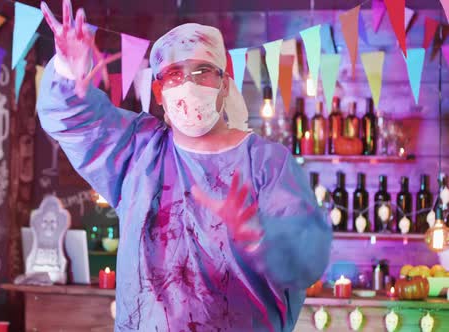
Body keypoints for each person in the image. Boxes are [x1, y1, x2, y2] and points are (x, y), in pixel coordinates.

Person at [37, 1, 332, 331]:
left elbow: (308, 259)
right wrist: (66, 68)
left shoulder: (267, 164)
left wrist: (259, 238)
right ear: (158, 92)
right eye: (174, 74)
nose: (188, 85)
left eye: (202, 71)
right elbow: (72, 121)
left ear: (224, 83)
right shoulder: (139, 152)